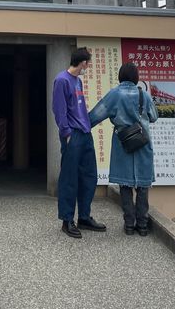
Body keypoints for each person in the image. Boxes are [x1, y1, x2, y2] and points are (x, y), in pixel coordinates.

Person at [89, 62, 158, 235]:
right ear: (136, 77)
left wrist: (78, 126)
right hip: (143, 143)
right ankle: (142, 225)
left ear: (120, 76)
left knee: (124, 185)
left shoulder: (114, 94)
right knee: (143, 185)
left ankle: (129, 225)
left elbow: (95, 116)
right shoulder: (144, 95)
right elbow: (154, 117)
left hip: (123, 144)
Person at [52, 47, 106, 238]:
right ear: (83, 62)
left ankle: (84, 216)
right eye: (88, 63)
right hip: (72, 135)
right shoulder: (62, 80)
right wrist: (66, 133)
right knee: (69, 178)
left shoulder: (78, 81)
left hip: (85, 133)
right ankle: (67, 220)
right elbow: (59, 109)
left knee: (89, 176)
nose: (88, 67)